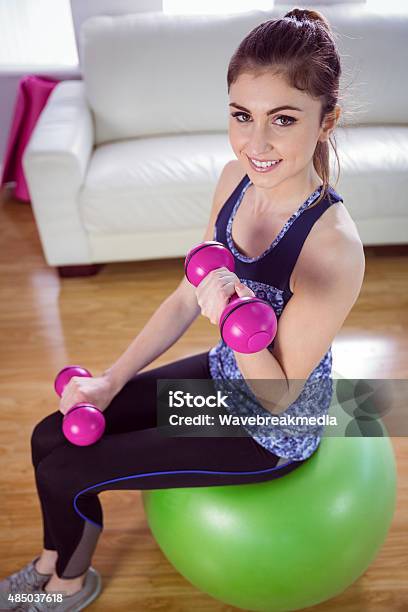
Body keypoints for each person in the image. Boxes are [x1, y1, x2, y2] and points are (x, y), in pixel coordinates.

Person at [0, 7, 365, 611]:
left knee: (70, 470)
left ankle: (67, 586)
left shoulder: (334, 249)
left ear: (327, 121)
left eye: (283, 120)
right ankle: (50, 559)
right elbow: (181, 297)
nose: (257, 144)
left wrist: (236, 324)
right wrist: (112, 380)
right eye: (242, 116)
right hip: (223, 377)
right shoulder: (233, 181)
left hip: (267, 430)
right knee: (49, 435)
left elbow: (278, 395)